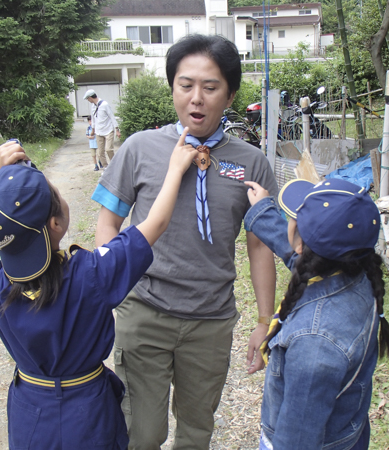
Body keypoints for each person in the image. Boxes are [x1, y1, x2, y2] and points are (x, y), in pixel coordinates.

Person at [0, 135, 198, 450]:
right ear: (56, 224)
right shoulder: (90, 273)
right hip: (89, 410)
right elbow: (155, 223)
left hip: (29, 412)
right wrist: (175, 168)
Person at [92, 34, 278, 449]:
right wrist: (105, 293)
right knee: (141, 431)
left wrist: (264, 321)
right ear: (172, 87)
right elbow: (108, 223)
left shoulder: (252, 162)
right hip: (144, 312)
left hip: (210, 321)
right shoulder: (140, 148)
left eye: (210, 88)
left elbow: (260, 246)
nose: (196, 98)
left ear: (229, 95)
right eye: (185, 85)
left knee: (196, 430)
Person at [243, 178, 389, 450]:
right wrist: (262, 211)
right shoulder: (358, 274)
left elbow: (297, 441)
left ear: (301, 243)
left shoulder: (315, 344)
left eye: (294, 217)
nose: (290, 218)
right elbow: (296, 256)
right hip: (348, 433)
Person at [84, 89, 121, 169]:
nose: (88, 100)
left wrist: (117, 130)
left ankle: (115, 165)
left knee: (108, 149)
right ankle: (106, 167)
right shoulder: (93, 106)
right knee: (100, 152)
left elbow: (112, 117)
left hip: (108, 130)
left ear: (90, 98)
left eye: (88, 99)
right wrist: (93, 130)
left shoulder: (105, 105)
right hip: (99, 131)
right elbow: (93, 119)